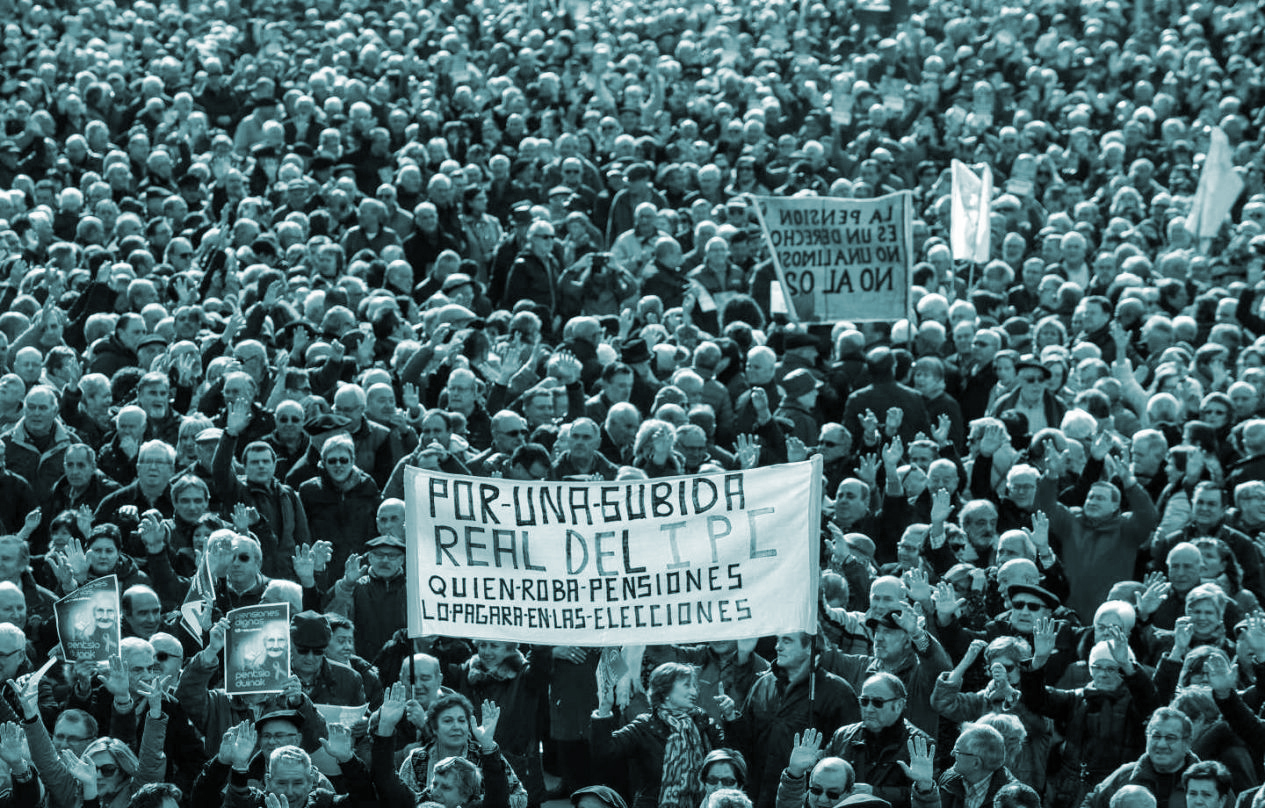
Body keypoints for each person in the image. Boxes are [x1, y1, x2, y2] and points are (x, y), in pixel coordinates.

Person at [590, 662, 727, 808]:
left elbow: (731, 753)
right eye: (687, 685)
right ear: (665, 692)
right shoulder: (645, 726)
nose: (694, 692)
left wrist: (730, 716)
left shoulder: (702, 721)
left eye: (694, 686)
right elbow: (605, 752)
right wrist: (604, 709)